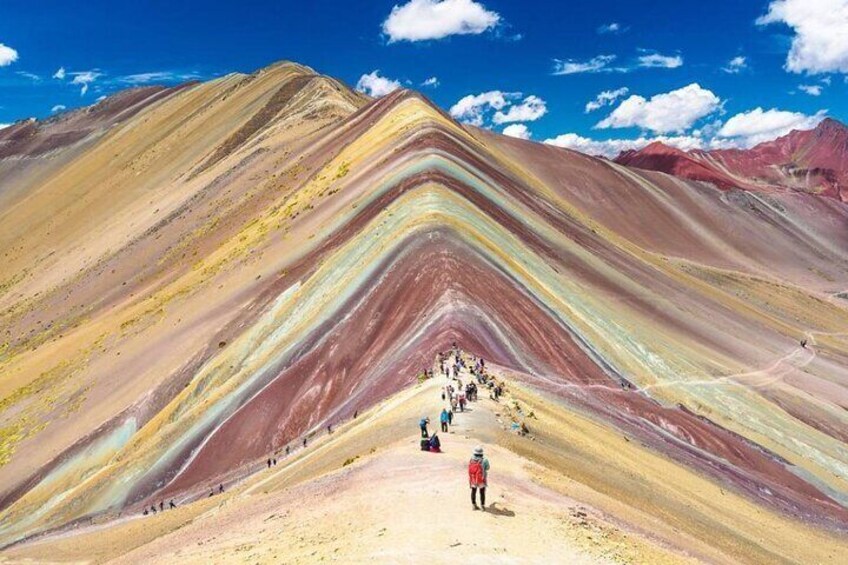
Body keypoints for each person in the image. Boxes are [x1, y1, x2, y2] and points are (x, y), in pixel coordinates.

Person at [468, 446, 490, 510]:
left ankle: (474, 505)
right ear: (481, 453)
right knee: (482, 492)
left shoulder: (471, 459)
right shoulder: (484, 460)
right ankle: (482, 506)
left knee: (473, 491)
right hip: (481, 479)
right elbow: (488, 468)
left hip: (473, 478)